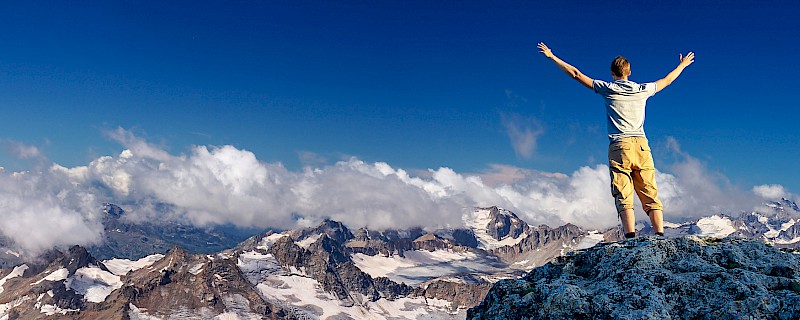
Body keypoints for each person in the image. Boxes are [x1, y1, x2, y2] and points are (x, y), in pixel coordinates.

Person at [537, 42, 694, 238]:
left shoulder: (608, 88)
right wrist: (682, 65)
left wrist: (552, 57)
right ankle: (659, 234)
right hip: (642, 145)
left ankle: (630, 237)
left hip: (620, 145)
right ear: (629, 71)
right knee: (649, 189)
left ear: (613, 73)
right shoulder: (643, 90)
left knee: (623, 191)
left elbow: (576, 74)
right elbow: (667, 80)